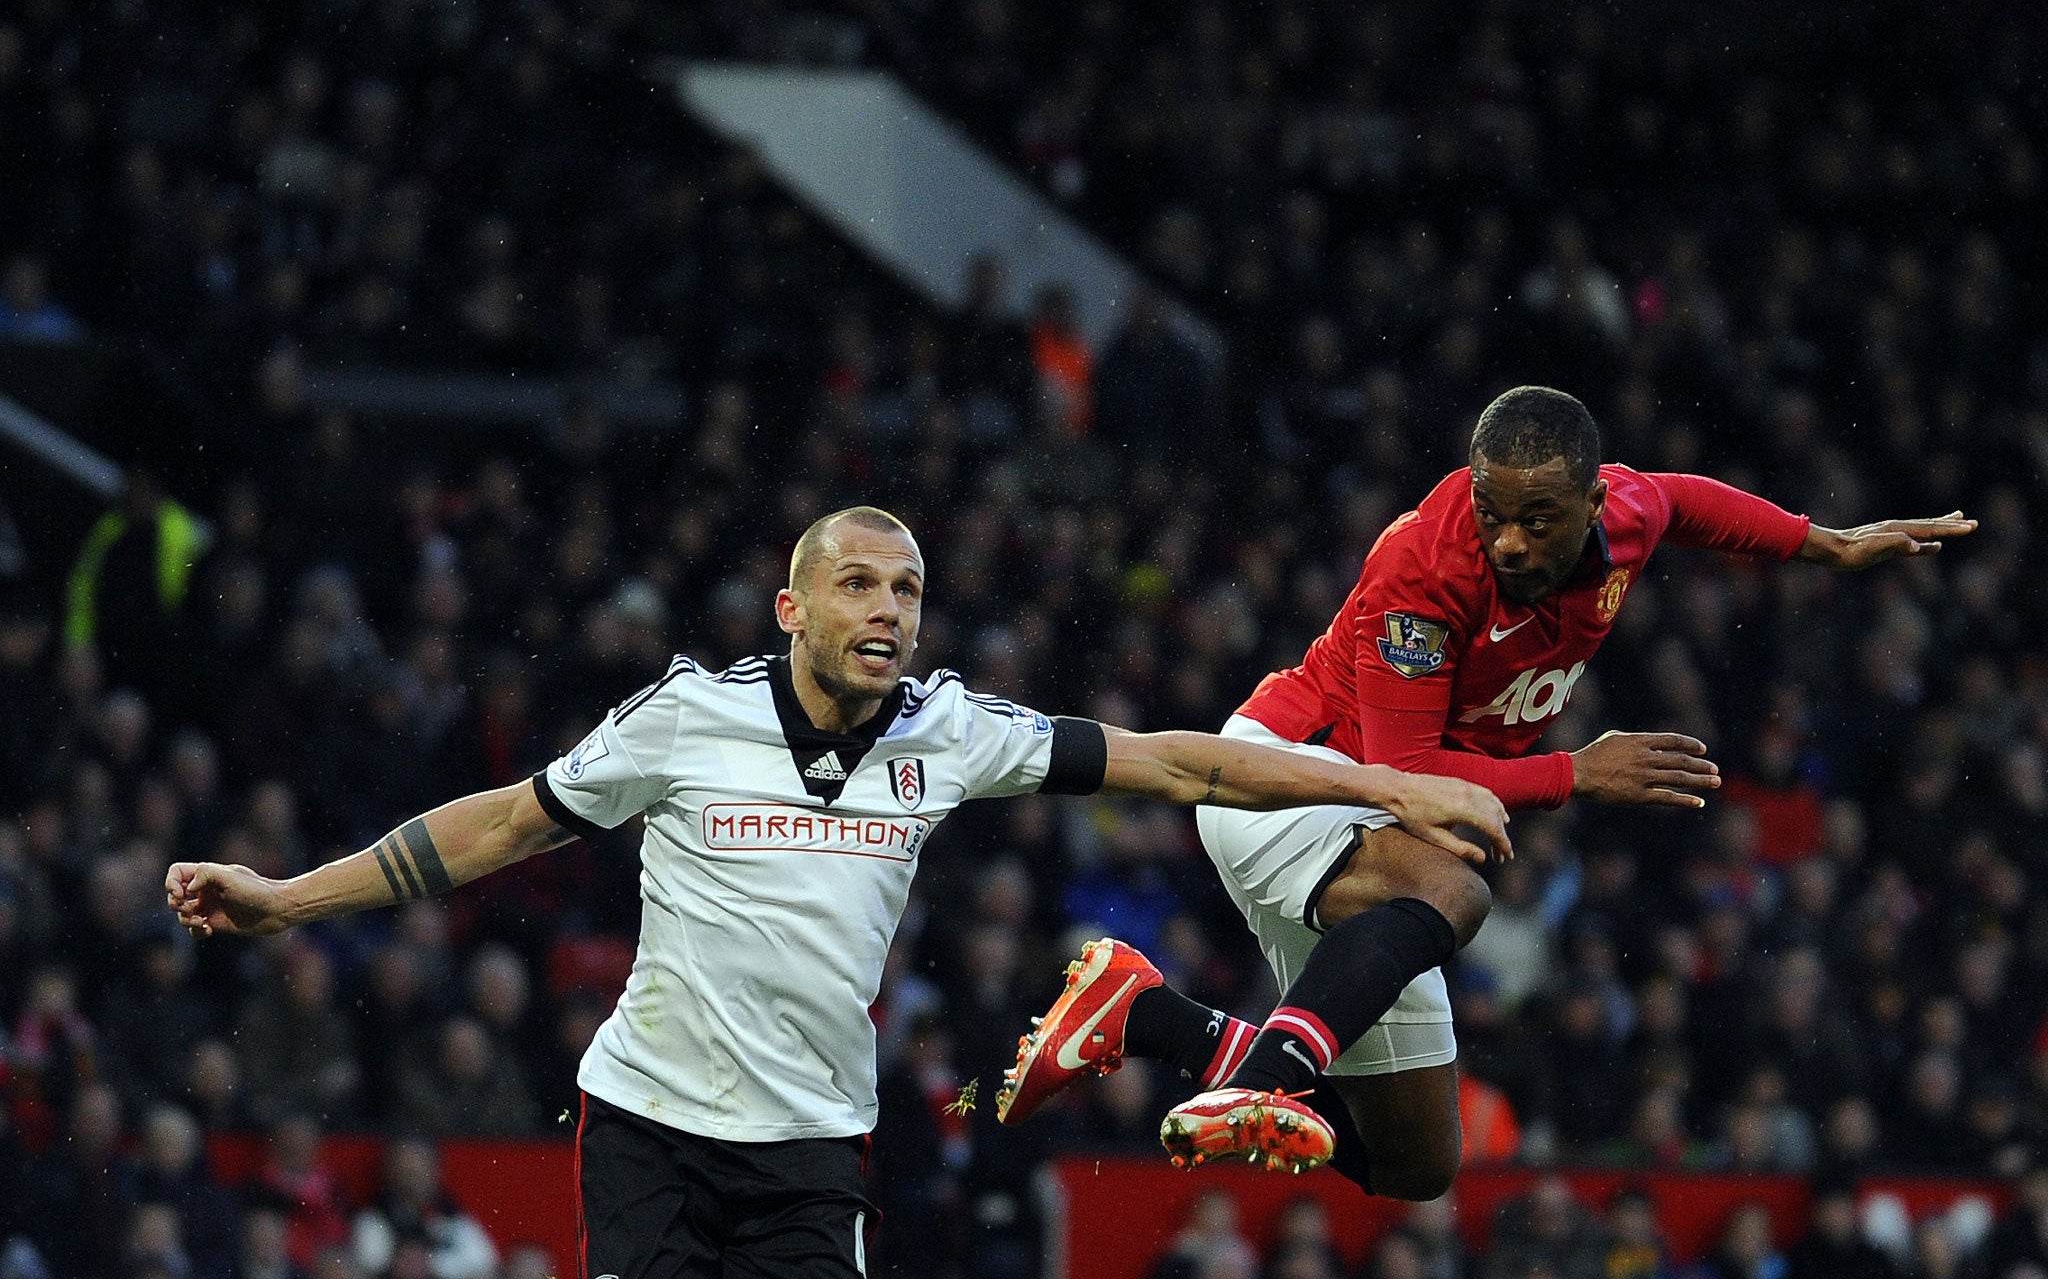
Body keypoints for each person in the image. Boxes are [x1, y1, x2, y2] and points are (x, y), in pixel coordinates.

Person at [166, 506, 1507, 1278]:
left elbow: (1167, 764)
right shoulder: (686, 719)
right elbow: (500, 828)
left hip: (812, 1147)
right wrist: (287, 900)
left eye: (908, 587)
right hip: (650, 1127)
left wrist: (1388, 793)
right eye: (857, 583)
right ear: (792, 609)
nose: (889, 607)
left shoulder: (951, 730)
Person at [998, 385, 1974, 1191]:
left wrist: (1826, 544)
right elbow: (1404, 776)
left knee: (1412, 1165)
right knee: (1455, 890)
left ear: (1592, 507)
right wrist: (1576, 774)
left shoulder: (1625, 516)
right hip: (1293, 769)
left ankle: (1141, 1016)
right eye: (1491, 511)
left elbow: (1683, 501)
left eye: (1536, 520)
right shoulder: (1423, 570)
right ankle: (1263, 1081)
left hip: (1383, 808)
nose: (1506, 540)